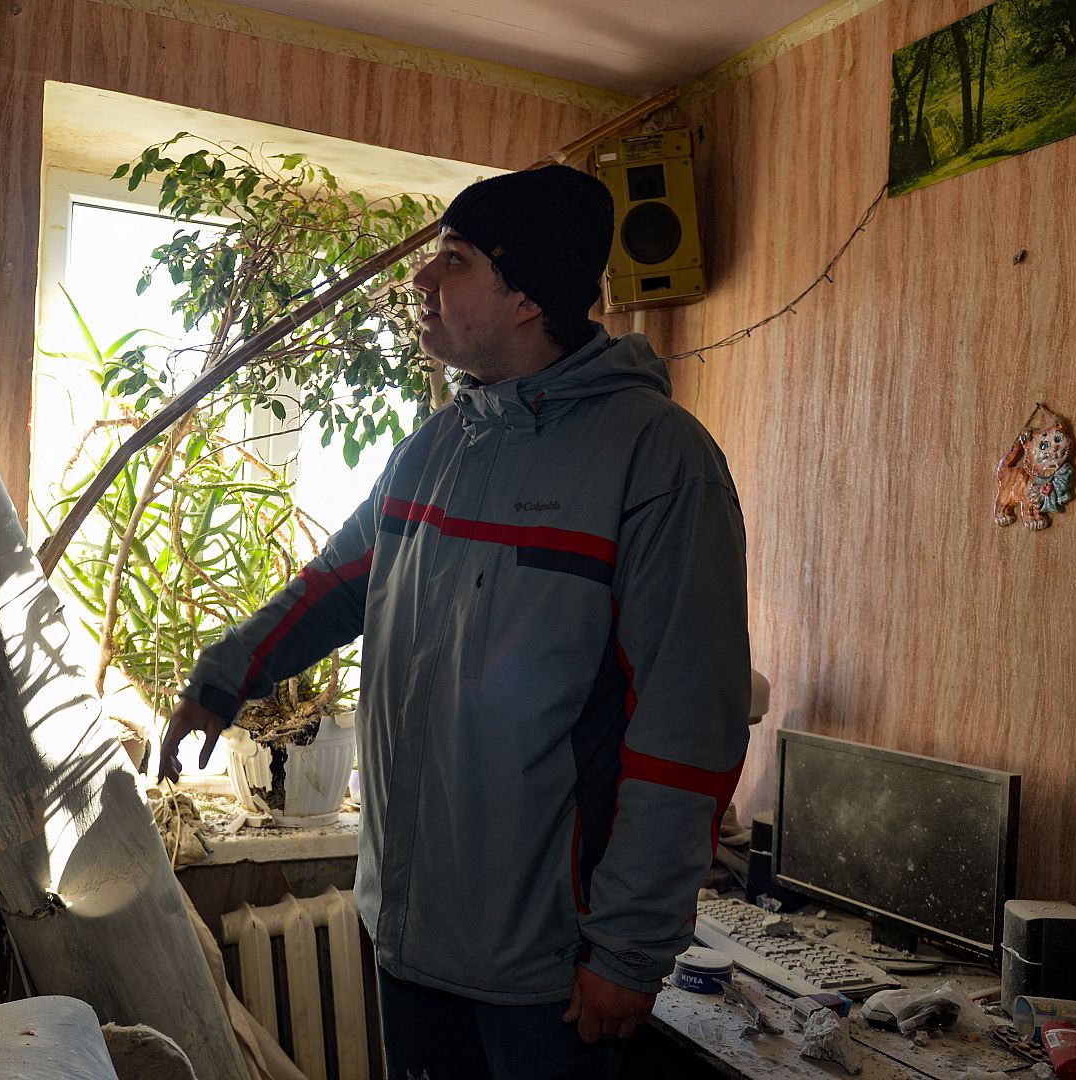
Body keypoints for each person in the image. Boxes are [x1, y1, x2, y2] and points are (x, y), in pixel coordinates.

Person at [159, 164, 750, 1079]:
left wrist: (629, 951)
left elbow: (689, 728)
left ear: (527, 297)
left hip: (546, 970)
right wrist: (224, 675)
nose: (422, 281)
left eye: (456, 260)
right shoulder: (438, 444)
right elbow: (336, 583)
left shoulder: (659, 462)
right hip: (408, 938)